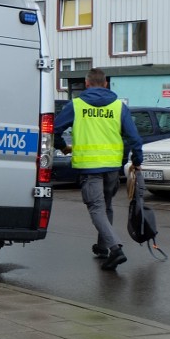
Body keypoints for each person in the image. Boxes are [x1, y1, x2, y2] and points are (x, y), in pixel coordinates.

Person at [54, 68, 143, 271]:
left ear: (86, 84)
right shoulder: (118, 107)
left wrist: (61, 147)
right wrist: (137, 160)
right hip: (112, 167)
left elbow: (54, 129)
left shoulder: (76, 105)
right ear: (105, 84)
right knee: (107, 206)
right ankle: (102, 247)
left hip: (89, 167)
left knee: (96, 208)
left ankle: (115, 249)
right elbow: (134, 138)